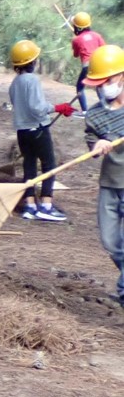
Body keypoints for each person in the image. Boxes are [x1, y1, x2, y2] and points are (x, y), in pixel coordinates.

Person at [7, 39, 70, 222]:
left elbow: (17, 104)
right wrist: (57, 107)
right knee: (49, 165)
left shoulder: (15, 82)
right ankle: (46, 206)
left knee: (29, 165)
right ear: (32, 62)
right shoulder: (32, 80)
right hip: (38, 130)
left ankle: (30, 206)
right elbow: (37, 107)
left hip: (22, 131)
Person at [81, 43, 124, 305]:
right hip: (110, 183)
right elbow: (91, 145)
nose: (101, 87)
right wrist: (98, 146)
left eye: (105, 80)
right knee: (110, 242)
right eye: (97, 83)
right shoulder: (95, 114)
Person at [70, 12, 105, 112]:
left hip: (87, 65)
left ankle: (85, 111)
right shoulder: (97, 35)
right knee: (100, 86)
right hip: (99, 64)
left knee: (80, 87)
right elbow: (104, 49)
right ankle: (105, 109)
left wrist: (75, 41)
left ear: (77, 27)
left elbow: (76, 55)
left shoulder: (76, 40)